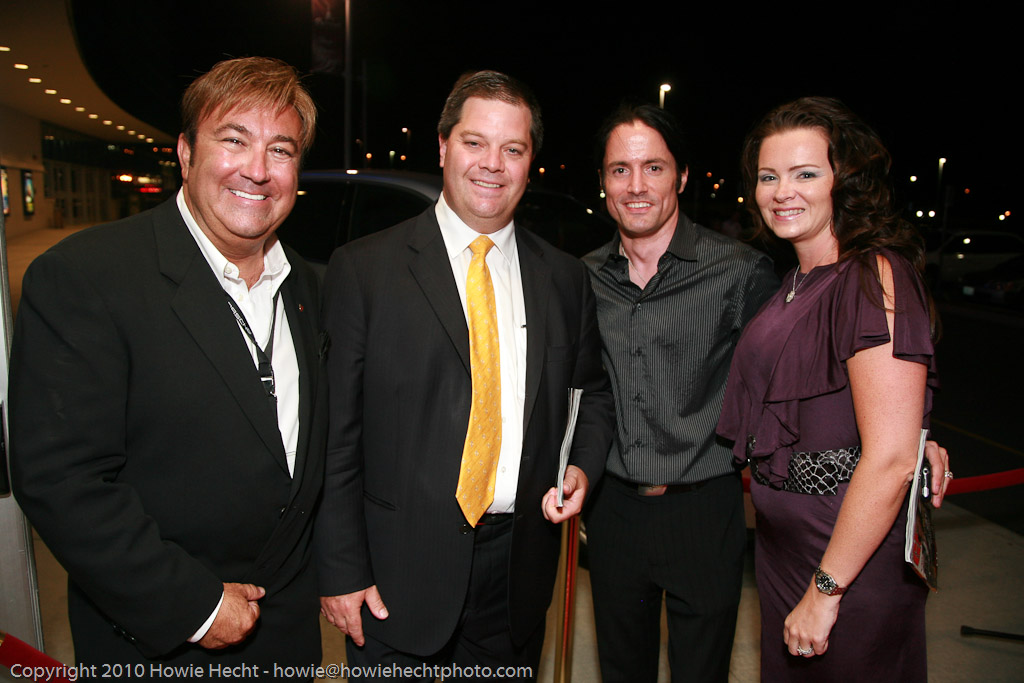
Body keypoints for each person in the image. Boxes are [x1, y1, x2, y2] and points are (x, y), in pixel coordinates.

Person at [10, 57, 326, 674]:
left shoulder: (313, 289)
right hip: (159, 643)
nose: (257, 169)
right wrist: (195, 607)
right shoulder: (86, 277)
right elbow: (61, 480)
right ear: (185, 153)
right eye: (233, 140)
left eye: (281, 150)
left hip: (288, 639)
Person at [315, 70, 614, 678]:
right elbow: (336, 438)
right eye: (475, 142)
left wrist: (580, 466)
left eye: (513, 149)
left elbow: (593, 395)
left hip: (517, 577)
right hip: (395, 575)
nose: (492, 164)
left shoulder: (564, 279)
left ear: (530, 161)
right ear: (444, 146)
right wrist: (341, 569)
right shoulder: (364, 271)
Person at [717, 96, 952, 681]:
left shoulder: (873, 274)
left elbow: (891, 457)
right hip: (782, 552)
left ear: (843, 181)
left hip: (846, 558)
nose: (782, 192)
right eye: (768, 177)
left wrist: (826, 590)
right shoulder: (795, 280)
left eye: (805, 174)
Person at [581, 102, 778, 682]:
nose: (636, 186)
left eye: (654, 167)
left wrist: (907, 429)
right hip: (613, 513)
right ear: (603, 182)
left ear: (682, 176)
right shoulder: (580, 278)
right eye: (619, 169)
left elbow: (793, 380)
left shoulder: (740, 272)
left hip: (705, 511)